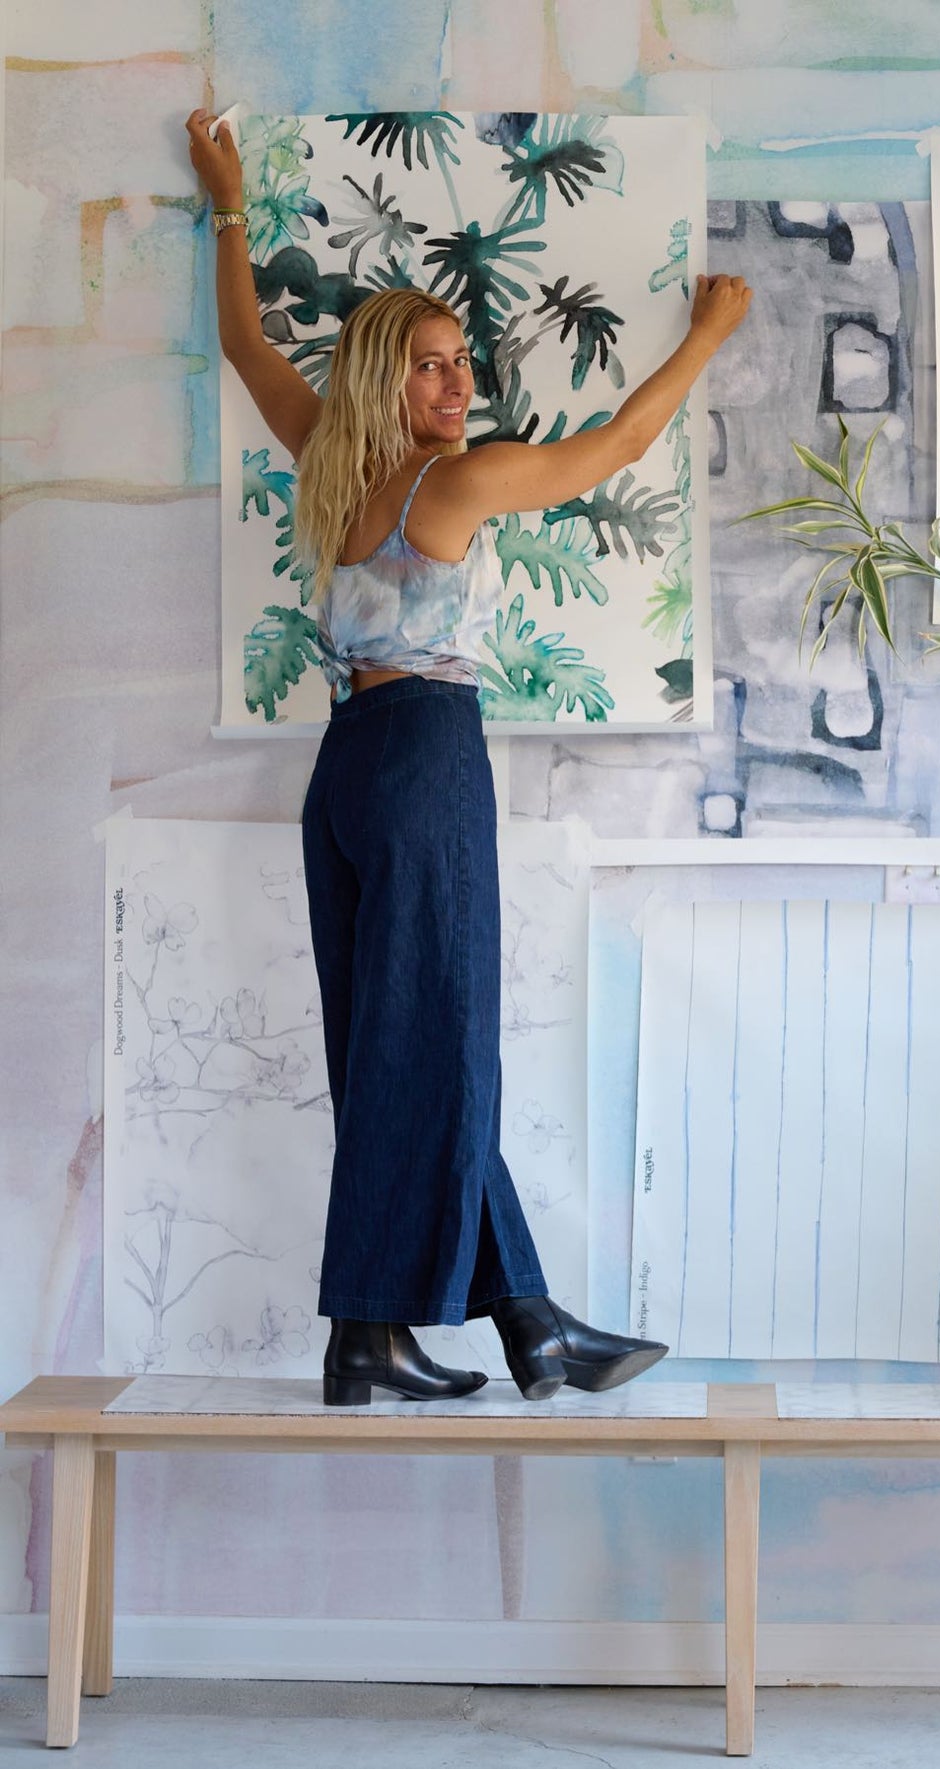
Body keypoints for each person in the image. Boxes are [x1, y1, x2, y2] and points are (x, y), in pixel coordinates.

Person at [186, 108, 752, 1407]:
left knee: (399, 1046)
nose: (460, 386)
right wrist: (709, 335)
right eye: (435, 367)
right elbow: (612, 448)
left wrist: (226, 203)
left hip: (346, 775)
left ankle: (523, 1324)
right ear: (389, 375)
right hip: (428, 757)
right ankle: (374, 1331)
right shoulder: (455, 486)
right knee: (439, 1043)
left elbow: (242, 339)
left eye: (461, 365)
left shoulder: (329, 460)